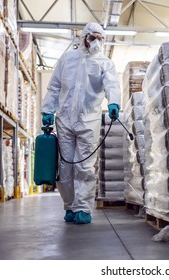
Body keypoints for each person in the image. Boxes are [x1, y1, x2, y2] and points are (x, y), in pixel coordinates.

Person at [41, 22, 121, 224]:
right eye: (92, 37)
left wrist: (113, 102)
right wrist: (47, 111)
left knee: (84, 167)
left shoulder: (105, 63)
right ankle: (69, 206)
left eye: (100, 38)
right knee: (65, 166)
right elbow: (55, 87)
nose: (96, 41)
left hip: (89, 119)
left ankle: (83, 208)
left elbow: (112, 84)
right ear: (84, 37)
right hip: (65, 119)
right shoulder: (67, 59)